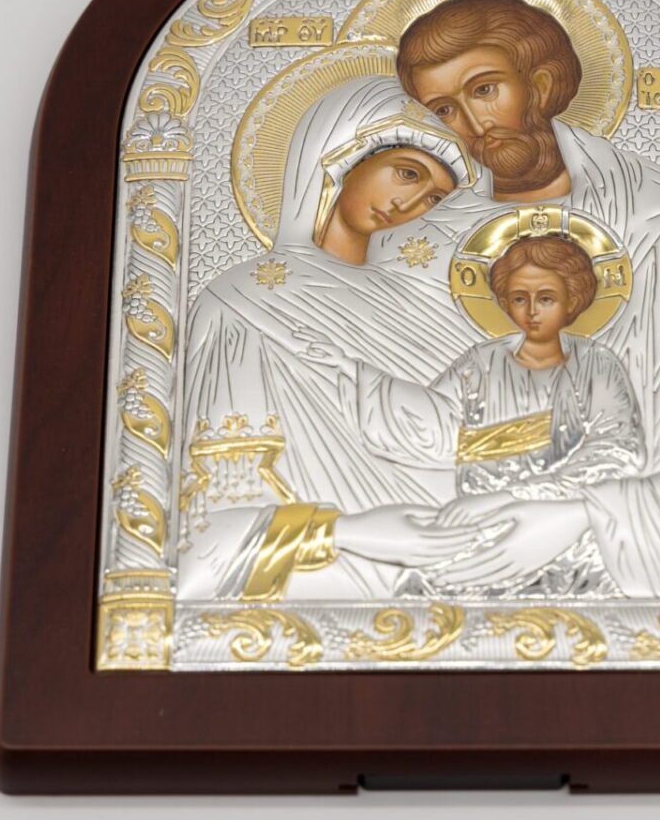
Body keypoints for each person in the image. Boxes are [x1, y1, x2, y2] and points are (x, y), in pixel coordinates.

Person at [395, 0, 660, 598]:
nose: (474, 124)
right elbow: (416, 430)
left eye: (485, 89)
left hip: (608, 538)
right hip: (466, 526)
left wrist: (574, 514)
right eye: (446, 109)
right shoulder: (421, 241)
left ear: (539, 84)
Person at [174, 75, 497, 602]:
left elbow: (470, 435)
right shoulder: (242, 302)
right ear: (342, 156)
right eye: (407, 173)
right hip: (324, 573)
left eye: (433, 197)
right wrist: (351, 532)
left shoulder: (423, 306)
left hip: (461, 561)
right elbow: (212, 517)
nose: (410, 204)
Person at [301, 234, 646, 598]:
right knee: (422, 589)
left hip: (563, 523)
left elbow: (616, 450)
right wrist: (352, 369)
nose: (531, 311)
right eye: (519, 298)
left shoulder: (595, 365)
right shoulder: (482, 361)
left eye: (546, 298)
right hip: (475, 520)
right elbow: (437, 422)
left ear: (572, 300)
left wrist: (511, 496)